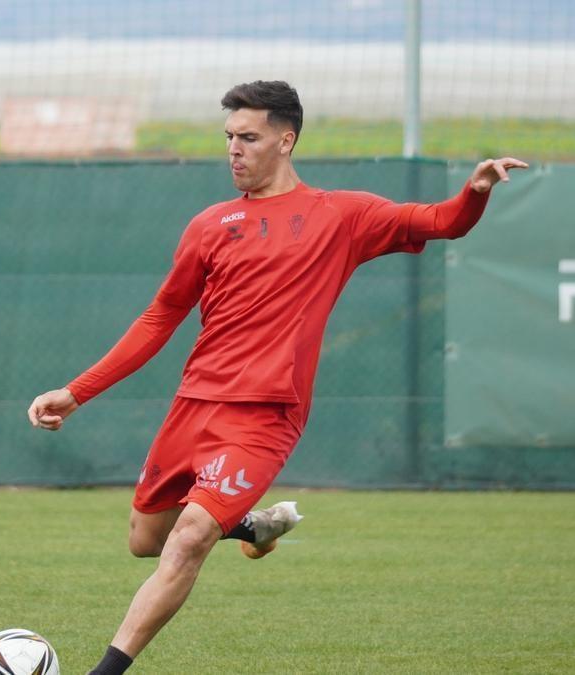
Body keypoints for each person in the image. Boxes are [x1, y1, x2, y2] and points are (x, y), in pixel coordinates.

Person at [27, 80, 527, 674]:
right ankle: (251, 527)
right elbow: (161, 316)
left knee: (188, 539)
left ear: (286, 140)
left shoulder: (341, 215)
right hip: (196, 404)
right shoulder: (211, 225)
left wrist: (474, 191)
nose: (234, 150)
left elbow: (443, 221)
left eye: (249, 137)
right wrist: (77, 390)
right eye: (229, 138)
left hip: (266, 413)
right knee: (146, 539)